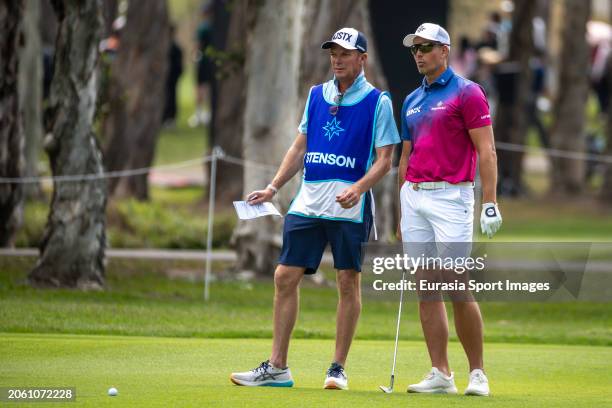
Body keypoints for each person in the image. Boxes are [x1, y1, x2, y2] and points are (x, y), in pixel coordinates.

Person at [230, 27, 399, 390]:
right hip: (307, 202)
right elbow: (299, 147)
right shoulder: (316, 96)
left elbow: (385, 160)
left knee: (347, 282)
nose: (336, 59)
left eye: (344, 53)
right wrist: (274, 187)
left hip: (349, 207)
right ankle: (277, 366)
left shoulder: (378, 102)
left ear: (361, 59)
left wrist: (359, 188)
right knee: (283, 277)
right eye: (332, 53)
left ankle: (337, 367)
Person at [398, 23, 502, 397]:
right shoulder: (411, 99)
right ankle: (441, 372)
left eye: (426, 47)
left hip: (452, 197)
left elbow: (487, 150)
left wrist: (489, 203)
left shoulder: (467, 92)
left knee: (456, 282)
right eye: (415, 49)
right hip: (415, 196)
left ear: (444, 50)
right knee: (426, 285)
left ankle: (477, 372)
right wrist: (400, 209)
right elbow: (405, 157)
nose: (419, 54)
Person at [189, 3, 213, 127]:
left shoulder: (203, 27)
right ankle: (208, 113)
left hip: (203, 60)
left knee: (200, 87)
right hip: (213, 60)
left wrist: (194, 56)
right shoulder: (216, 26)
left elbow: (197, 45)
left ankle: (199, 114)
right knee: (209, 87)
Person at [162, 25, 184, 127]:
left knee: (172, 97)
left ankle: (171, 118)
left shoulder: (176, 48)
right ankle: (164, 117)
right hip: (164, 77)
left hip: (172, 77)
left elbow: (179, 66)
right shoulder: (163, 47)